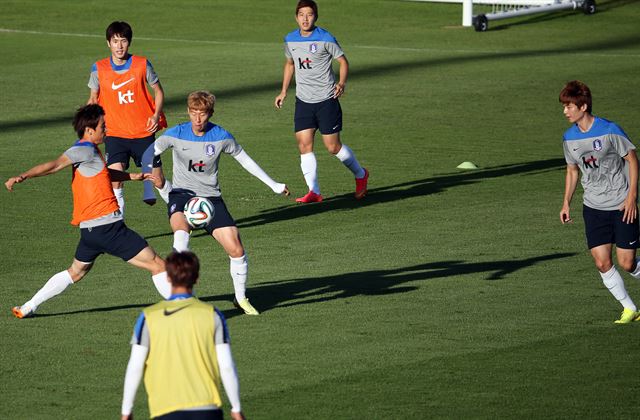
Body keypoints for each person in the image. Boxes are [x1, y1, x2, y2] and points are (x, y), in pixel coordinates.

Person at [5, 104, 171, 319]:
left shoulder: (91, 151)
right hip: (108, 228)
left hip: (90, 232)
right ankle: (184, 312)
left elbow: (103, 174)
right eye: (103, 125)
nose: (106, 129)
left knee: (75, 272)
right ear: (89, 130)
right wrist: (23, 176)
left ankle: (28, 306)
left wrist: (132, 176)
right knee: (159, 266)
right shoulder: (82, 150)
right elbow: (54, 165)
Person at [151, 91, 289, 315]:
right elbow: (152, 152)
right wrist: (159, 186)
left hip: (210, 199)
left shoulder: (221, 136)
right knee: (180, 236)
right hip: (182, 195)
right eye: (194, 113)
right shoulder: (175, 134)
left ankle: (241, 298)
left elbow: (245, 161)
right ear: (188, 112)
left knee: (236, 248)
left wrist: (273, 184)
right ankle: (182, 297)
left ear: (210, 114)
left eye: (202, 114)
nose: (197, 119)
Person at [121, 251, 246, 420]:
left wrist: (126, 410)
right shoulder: (212, 314)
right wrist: (236, 407)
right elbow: (226, 366)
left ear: (167, 278)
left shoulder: (149, 316)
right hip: (206, 408)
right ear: (197, 278)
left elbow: (135, 366)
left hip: (165, 409)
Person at [559, 80, 640, 324]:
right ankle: (630, 309)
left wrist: (632, 197)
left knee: (626, 263)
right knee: (602, 262)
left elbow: (633, 160)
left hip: (621, 205)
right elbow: (572, 170)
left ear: (583, 106)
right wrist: (566, 203)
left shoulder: (610, 130)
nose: (565, 111)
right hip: (593, 207)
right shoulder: (569, 138)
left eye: (569, 106)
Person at [274, 0, 369, 203]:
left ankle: (361, 175)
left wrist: (341, 83)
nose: (305, 18)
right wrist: (283, 91)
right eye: (301, 15)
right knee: (304, 145)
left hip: (326, 100)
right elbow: (290, 64)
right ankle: (314, 191)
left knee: (333, 147)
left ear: (315, 17)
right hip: (303, 101)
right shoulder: (290, 39)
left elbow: (343, 61)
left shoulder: (326, 38)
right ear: (296, 17)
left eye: (309, 14)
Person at [88, 21, 170, 214]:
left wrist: (156, 115)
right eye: (115, 41)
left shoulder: (142, 64)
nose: (119, 45)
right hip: (115, 133)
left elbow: (158, 91)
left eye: (123, 41)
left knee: (157, 181)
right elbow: (93, 98)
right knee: (115, 181)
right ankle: (118, 227)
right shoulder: (98, 68)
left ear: (129, 42)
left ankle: (181, 211)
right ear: (108, 43)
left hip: (143, 132)